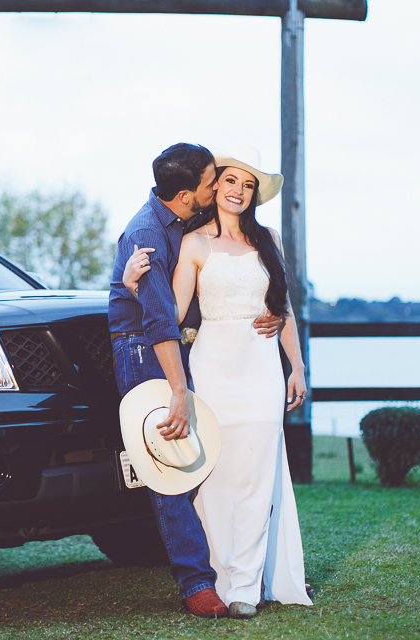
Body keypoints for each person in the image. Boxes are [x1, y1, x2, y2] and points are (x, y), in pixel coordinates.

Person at [123, 144, 313, 619]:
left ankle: (246, 585)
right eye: (230, 181)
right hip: (211, 369)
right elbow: (174, 304)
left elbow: (282, 307)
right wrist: (131, 285)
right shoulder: (195, 242)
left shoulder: (268, 239)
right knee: (214, 477)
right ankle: (219, 580)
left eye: (248, 186)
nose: (239, 191)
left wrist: (298, 366)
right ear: (214, 188)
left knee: (254, 477)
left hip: (262, 368)